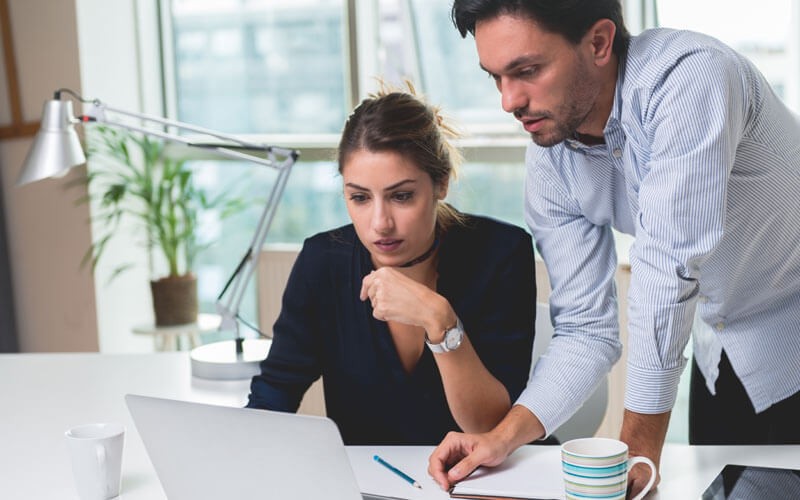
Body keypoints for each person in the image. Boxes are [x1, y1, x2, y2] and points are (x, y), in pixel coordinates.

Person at [428, 0, 800, 496]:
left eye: (527, 70)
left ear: (600, 42)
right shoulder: (551, 157)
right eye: (495, 77)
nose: (508, 101)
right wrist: (501, 438)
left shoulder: (690, 79)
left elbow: (666, 270)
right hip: (726, 349)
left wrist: (637, 452)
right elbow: (586, 329)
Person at [247, 85, 537, 445]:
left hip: (481, 480)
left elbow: (489, 426)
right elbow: (275, 391)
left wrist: (439, 320)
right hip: (369, 484)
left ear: (441, 183)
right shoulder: (323, 263)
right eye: (360, 198)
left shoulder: (501, 254)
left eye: (401, 196)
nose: (380, 223)